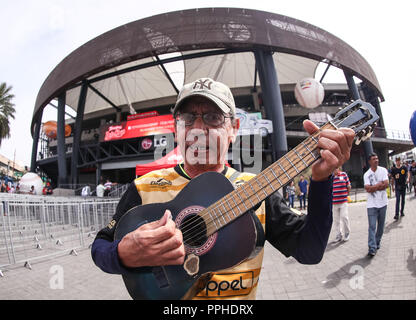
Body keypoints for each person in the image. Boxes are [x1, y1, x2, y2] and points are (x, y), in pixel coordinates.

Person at [91, 77, 355, 300]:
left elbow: (310, 252)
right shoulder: (145, 187)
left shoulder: (256, 190)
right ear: (176, 129)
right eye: (187, 118)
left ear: (234, 129)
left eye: (213, 118)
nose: (198, 128)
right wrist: (122, 254)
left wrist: (322, 182)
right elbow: (100, 245)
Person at [363, 153, 389, 257]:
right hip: (371, 205)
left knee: (381, 226)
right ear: (369, 161)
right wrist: (379, 185)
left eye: (377, 158)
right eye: (374, 159)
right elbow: (367, 189)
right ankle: (372, 248)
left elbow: (386, 184)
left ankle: (377, 242)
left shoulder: (383, 170)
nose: (376, 160)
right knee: (372, 226)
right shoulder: (366, 174)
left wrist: (374, 186)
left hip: (383, 203)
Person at [332, 167, 351, 242]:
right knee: (336, 220)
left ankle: (347, 233)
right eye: (333, 169)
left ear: (338, 168)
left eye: (336, 168)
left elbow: (349, 185)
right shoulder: (331, 177)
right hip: (334, 202)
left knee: (344, 217)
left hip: (343, 201)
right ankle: (338, 235)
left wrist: (347, 194)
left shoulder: (344, 174)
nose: (334, 170)